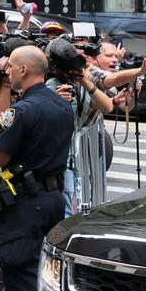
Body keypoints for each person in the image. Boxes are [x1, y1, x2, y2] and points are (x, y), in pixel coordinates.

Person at [0, 45, 73, 291]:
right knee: (45, 269)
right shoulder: (62, 106)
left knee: (18, 265)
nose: (7, 72)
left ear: (24, 70)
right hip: (53, 198)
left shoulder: (21, 111)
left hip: (26, 200)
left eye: (10, 67)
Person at [45, 39, 113, 216]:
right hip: (55, 163)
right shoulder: (50, 84)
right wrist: (54, 99)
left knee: (70, 212)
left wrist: (85, 82)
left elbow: (108, 107)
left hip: (71, 162)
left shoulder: (79, 83)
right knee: (65, 214)